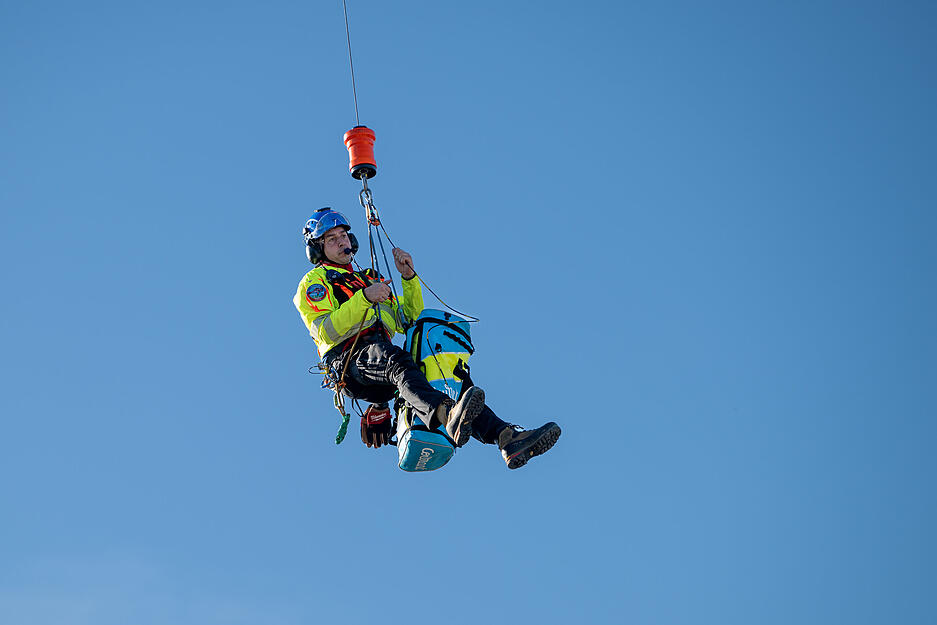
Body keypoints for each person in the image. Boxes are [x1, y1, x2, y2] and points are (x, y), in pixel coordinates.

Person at [293, 208, 561, 469]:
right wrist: (364, 298)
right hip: (350, 361)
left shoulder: (367, 279)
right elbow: (326, 330)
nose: (341, 242)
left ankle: (506, 437)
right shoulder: (315, 281)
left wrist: (408, 277)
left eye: (343, 235)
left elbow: (409, 319)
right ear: (318, 249)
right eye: (331, 239)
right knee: (396, 359)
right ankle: (446, 415)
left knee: (450, 374)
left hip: (382, 360)